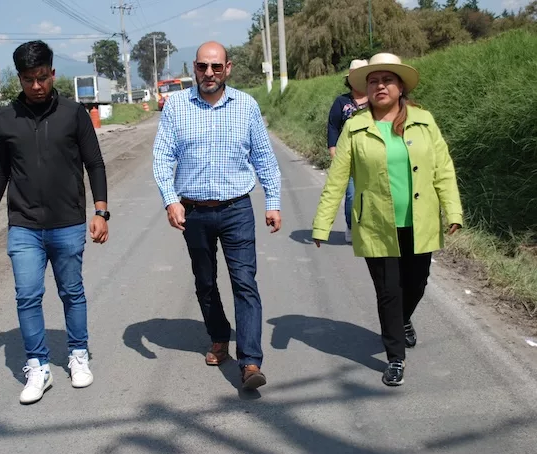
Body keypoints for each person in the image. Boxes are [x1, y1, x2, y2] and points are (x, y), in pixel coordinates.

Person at [311, 53, 463, 387]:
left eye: (387, 80)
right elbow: (337, 180)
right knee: (388, 291)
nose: (380, 86)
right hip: (377, 225)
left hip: (419, 220)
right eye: (374, 80)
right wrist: (322, 224)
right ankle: (395, 357)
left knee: (417, 283)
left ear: (400, 86)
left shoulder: (424, 121)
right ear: (366, 88)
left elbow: (443, 168)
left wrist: (453, 210)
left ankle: (403, 320)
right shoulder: (355, 127)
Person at [0, 40, 110, 404]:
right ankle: (38, 366)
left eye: (42, 78)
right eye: (27, 80)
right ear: (18, 79)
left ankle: (78, 355)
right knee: (27, 295)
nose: (36, 86)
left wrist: (100, 211)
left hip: (67, 222)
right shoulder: (7, 117)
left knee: (71, 292)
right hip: (23, 225)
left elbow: (95, 163)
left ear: (53, 73)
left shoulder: (73, 114)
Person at [152, 41, 282, 391]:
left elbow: (264, 157)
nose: (209, 74)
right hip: (193, 211)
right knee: (205, 281)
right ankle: (219, 337)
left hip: (237, 208)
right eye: (202, 67)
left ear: (229, 68)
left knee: (244, 282)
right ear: (193, 68)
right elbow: (163, 157)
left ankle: (250, 361)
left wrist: (273, 201)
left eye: (216, 67)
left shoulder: (246, 106)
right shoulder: (177, 106)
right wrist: (170, 200)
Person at [327, 59, 369, 243]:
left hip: (373, 155)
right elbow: (333, 126)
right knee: (352, 194)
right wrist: (333, 149)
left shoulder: (377, 99)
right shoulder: (341, 101)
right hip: (349, 156)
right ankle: (352, 226)